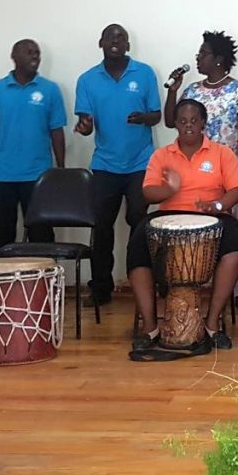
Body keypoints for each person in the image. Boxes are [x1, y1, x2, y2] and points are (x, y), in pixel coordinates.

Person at [128, 99, 238, 355]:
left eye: (194, 120)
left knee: (234, 247)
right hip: (169, 215)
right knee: (137, 243)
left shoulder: (221, 153)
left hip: (213, 216)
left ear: (203, 122)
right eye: (183, 121)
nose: (188, 125)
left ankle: (212, 325)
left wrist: (216, 206)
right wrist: (169, 189)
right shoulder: (161, 155)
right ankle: (150, 328)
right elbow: (148, 193)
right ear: (175, 125)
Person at [163, 31, 238, 309]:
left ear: (218, 59)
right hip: (193, 169)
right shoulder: (192, 90)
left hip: (224, 170)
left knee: (227, 227)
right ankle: (188, 282)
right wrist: (173, 90)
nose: (197, 57)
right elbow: (171, 121)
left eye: (202, 53)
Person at [74, 23, 161, 308]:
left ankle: (145, 282)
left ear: (128, 45)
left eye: (121, 37)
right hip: (105, 164)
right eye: (110, 36)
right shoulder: (87, 79)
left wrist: (143, 118)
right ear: (100, 43)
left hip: (141, 163)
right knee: (101, 227)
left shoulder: (145, 73)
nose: (115, 40)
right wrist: (84, 126)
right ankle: (101, 287)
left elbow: (157, 115)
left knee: (139, 222)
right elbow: (86, 125)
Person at [0, 39, 67, 254]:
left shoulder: (50, 89)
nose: (35, 56)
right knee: (2, 236)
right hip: (0, 175)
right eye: (29, 52)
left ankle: (44, 286)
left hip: (38, 176)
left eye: (37, 53)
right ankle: (3, 286)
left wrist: (60, 171)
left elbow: (57, 131)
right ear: (14, 56)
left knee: (41, 236)